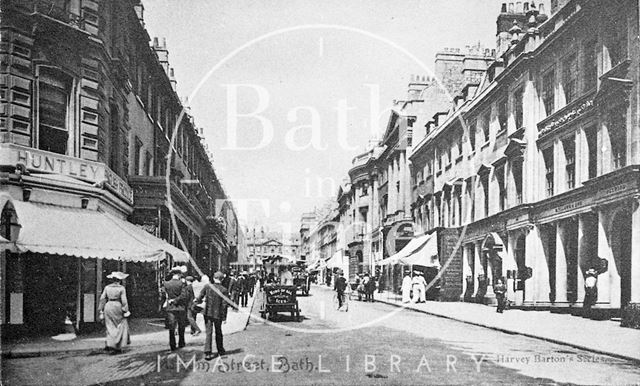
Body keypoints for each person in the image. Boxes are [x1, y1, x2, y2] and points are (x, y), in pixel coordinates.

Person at [195, 271, 230, 360]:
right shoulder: (224, 290)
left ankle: (208, 352)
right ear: (222, 279)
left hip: (207, 313)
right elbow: (224, 305)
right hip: (218, 314)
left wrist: (197, 302)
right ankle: (220, 351)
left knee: (209, 332)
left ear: (214, 278)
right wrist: (224, 317)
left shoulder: (207, 287)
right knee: (218, 332)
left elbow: (200, 297)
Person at [98, 271, 131, 354]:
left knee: (109, 325)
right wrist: (126, 310)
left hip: (108, 306)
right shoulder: (121, 288)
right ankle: (117, 345)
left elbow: (102, 298)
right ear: (119, 280)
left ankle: (110, 344)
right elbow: (124, 300)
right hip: (117, 306)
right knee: (119, 325)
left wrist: (101, 309)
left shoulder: (107, 288)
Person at [161, 267, 189, 350]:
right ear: (179, 274)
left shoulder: (166, 283)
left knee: (171, 327)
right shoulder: (182, 284)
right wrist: (176, 300)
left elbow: (163, 294)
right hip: (180, 307)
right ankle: (181, 342)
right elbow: (184, 296)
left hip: (170, 307)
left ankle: (172, 344)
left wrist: (171, 300)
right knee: (181, 326)